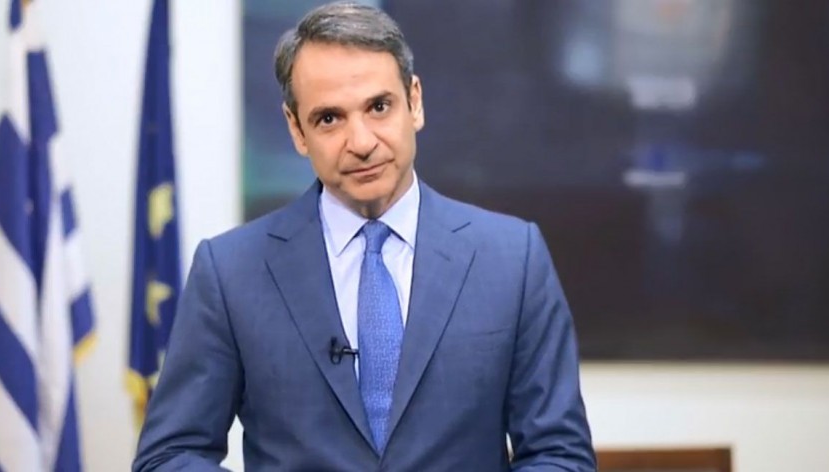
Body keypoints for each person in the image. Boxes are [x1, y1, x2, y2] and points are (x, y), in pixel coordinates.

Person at [133, 2, 595, 471]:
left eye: (378, 107)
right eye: (329, 119)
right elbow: (168, 456)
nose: (361, 142)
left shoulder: (512, 259)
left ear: (414, 102)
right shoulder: (230, 273)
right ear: (297, 129)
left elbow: (560, 454)